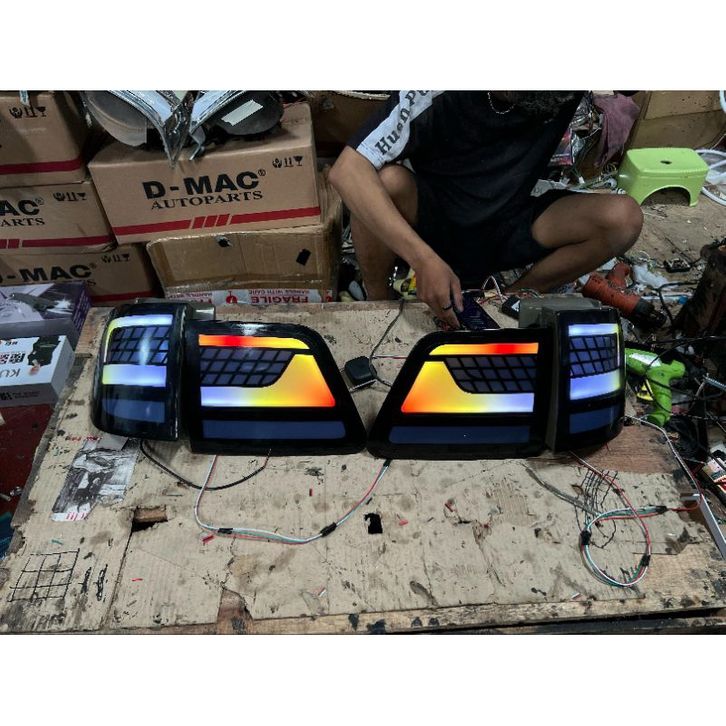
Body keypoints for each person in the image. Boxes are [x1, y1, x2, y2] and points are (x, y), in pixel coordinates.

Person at [329, 91, 644, 328]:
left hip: (509, 223)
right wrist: (423, 260)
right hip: (433, 222)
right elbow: (347, 170)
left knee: (622, 218)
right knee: (383, 183)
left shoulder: (556, 90)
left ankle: (508, 298)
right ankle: (377, 301)